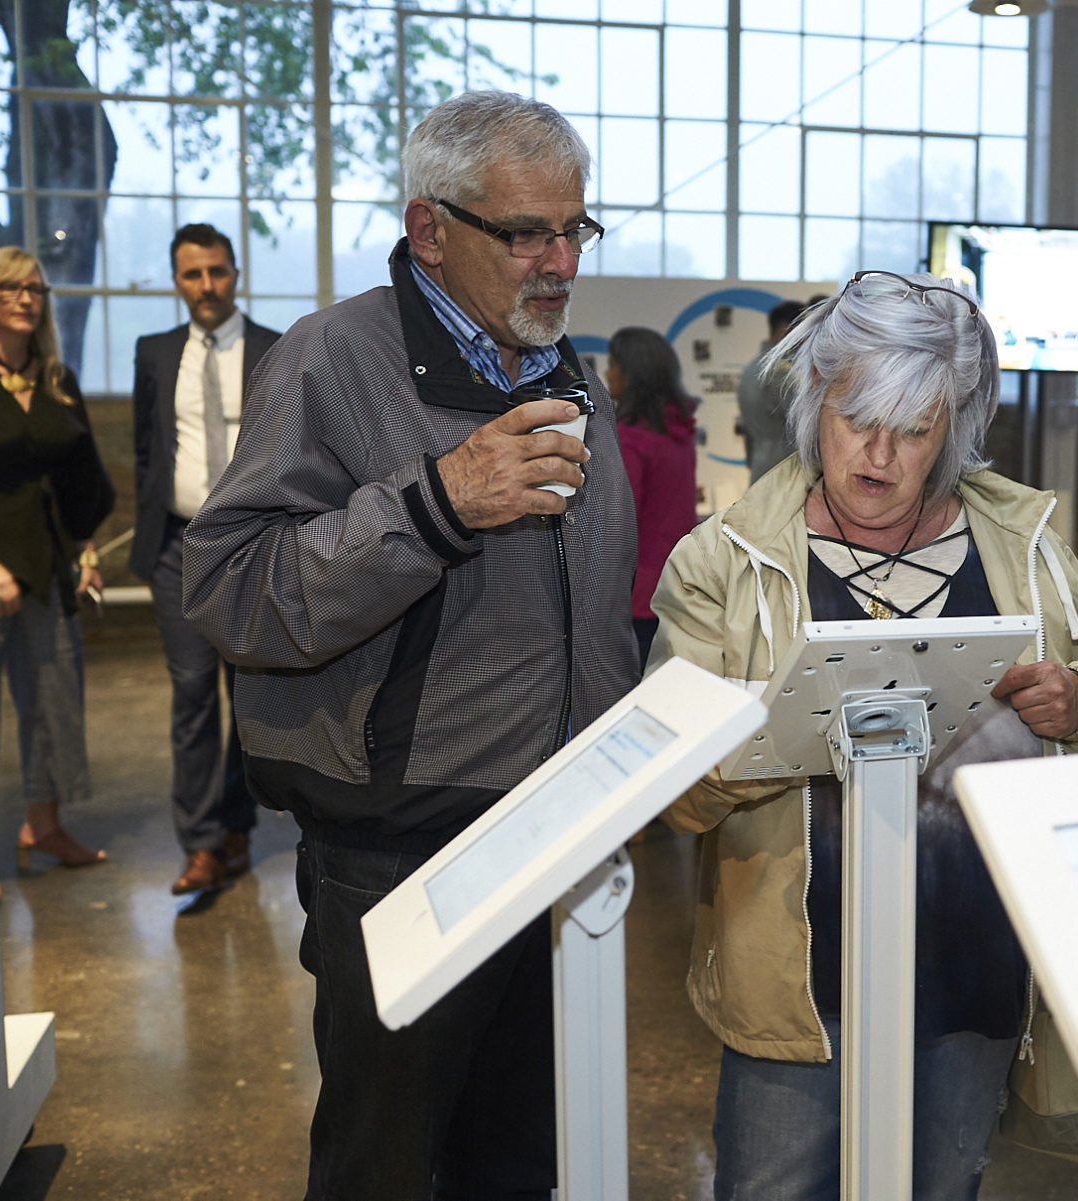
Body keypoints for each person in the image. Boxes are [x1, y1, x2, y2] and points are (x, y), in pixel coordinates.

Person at [182, 92, 640, 1200]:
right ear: (430, 229)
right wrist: (433, 506)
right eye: (526, 232)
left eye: (575, 228)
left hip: (557, 841)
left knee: (522, 1161)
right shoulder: (330, 360)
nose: (559, 260)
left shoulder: (562, 368)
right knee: (385, 1166)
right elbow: (230, 588)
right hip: (404, 857)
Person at [647, 269, 1078, 1200]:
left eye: (914, 430)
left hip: (974, 970)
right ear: (812, 406)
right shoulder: (728, 560)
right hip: (799, 985)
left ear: (953, 430)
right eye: (854, 420)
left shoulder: (1025, 547)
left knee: (940, 1185)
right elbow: (671, 786)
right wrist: (775, 733)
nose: (877, 455)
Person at [131, 223, 282, 895]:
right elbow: (146, 446)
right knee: (191, 695)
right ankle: (198, 843)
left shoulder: (276, 349)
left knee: (246, 693)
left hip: (252, 546)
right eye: (192, 274)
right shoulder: (156, 352)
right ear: (177, 280)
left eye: (217, 272)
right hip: (177, 548)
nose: (207, 286)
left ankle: (236, 822)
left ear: (236, 273)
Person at [0, 246, 115, 870]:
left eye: (35, 289)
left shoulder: (57, 380)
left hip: (50, 560)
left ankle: (43, 828)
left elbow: (80, 477)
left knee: (54, 699)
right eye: (10, 288)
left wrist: (85, 550)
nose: (27, 298)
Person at [605, 326, 699, 666]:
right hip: (679, 586)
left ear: (632, 372)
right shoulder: (679, 430)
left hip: (637, 593)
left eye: (613, 364)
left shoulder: (632, 439)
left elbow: (619, 521)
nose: (607, 372)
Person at [735, 298, 807, 483]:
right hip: (784, 472)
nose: (804, 341)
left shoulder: (751, 369)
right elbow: (804, 425)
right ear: (785, 330)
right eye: (802, 332)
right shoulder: (781, 373)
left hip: (760, 467)